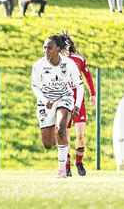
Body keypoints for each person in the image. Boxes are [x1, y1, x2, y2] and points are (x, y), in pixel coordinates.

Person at [31, 35, 84, 178]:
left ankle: (62, 170)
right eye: (44, 47)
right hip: (45, 102)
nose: (45, 50)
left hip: (64, 97)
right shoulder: (38, 65)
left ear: (58, 49)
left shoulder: (69, 64)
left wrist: (77, 106)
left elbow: (79, 86)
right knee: (48, 143)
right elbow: (35, 87)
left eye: (49, 47)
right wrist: (44, 99)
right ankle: (56, 134)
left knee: (61, 129)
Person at [57, 32, 96, 177]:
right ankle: (66, 167)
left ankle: (79, 162)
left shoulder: (78, 59)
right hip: (64, 102)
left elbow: (88, 76)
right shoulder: (57, 61)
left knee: (80, 134)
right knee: (64, 135)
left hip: (79, 102)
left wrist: (93, 93)